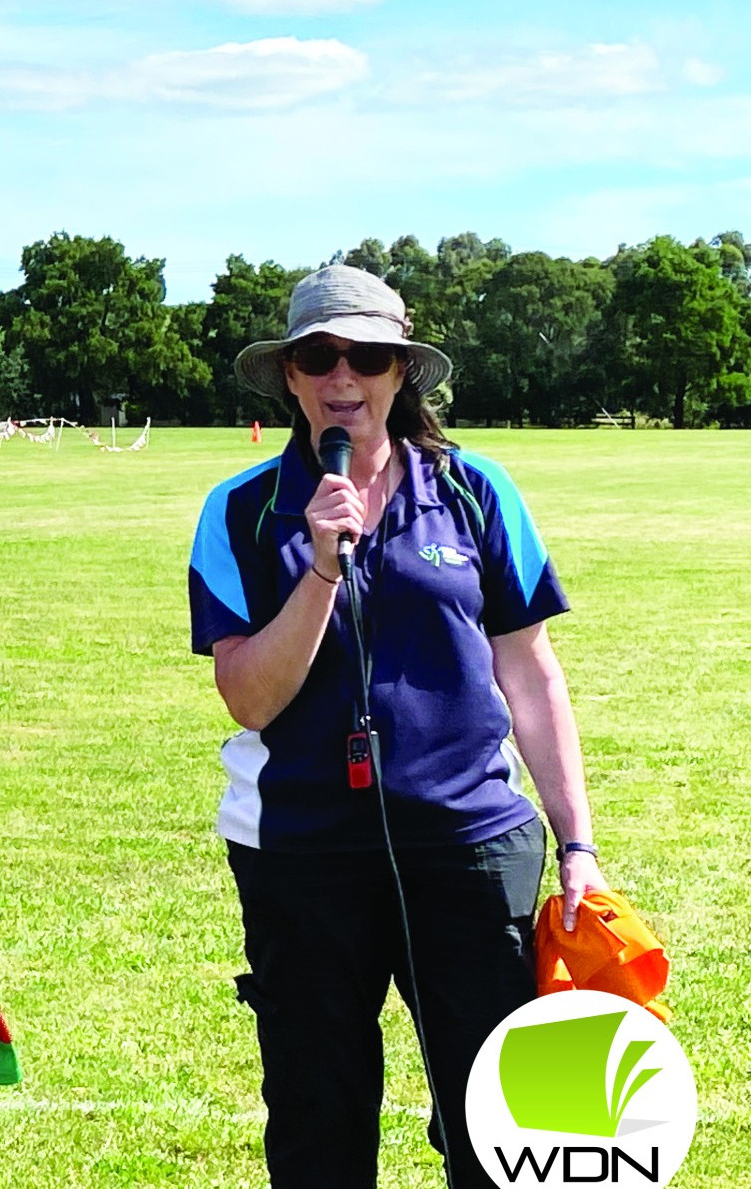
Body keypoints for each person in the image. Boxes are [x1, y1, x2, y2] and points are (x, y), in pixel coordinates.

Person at [187, 265, 610, 1189]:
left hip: (467, 845)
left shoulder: (475, 489)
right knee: (318, 1115)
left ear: (400, 371)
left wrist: (576, 840)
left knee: (501, 1116)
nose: (345, 376)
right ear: (289, 375)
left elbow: (531, 673)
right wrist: (321, 570)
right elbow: (250, 697)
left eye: (369, 356)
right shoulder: (241, 513)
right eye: (319, 356)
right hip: (301, 852)